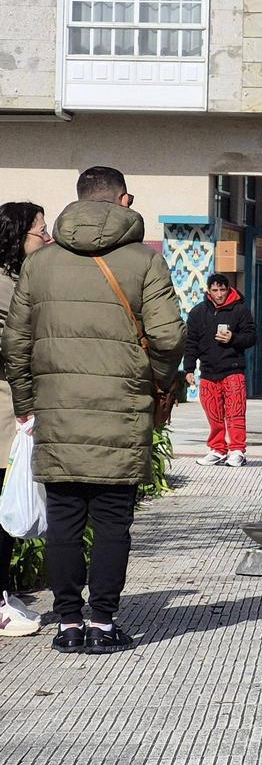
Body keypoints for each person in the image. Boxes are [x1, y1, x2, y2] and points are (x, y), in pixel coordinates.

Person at [3, 167, 186, 653]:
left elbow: (14, 343)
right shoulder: (143, 262)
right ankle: (103, 622)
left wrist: (26, 403)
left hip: (56, 412)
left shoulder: (40, 265)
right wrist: (156, 382)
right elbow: (168, 336)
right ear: (123, 200)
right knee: (112, 522)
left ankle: (67, 623)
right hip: (121, 411)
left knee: (63, 520)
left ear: (79, 200)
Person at [0, 202, 51, 637]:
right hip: (5, 410)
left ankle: (3, 593)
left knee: (7, 508)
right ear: (17, 238)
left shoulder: (18, 283)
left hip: (12, 410)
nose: (47, 236)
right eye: (40, 230)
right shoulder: (6, 289)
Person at [183, 273, 257, 467]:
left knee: (235, 411)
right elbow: (190, 343)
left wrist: (233, 338)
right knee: (213, 412)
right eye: (214, 290)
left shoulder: (240, 310)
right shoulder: (198, 313)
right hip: (207, 371)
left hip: (233, 369)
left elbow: (251, 337)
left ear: (228, 289)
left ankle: (237, 449)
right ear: (209, 291)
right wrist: (189, 368)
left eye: (222, 290)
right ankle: (217, 449)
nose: (219, 294)